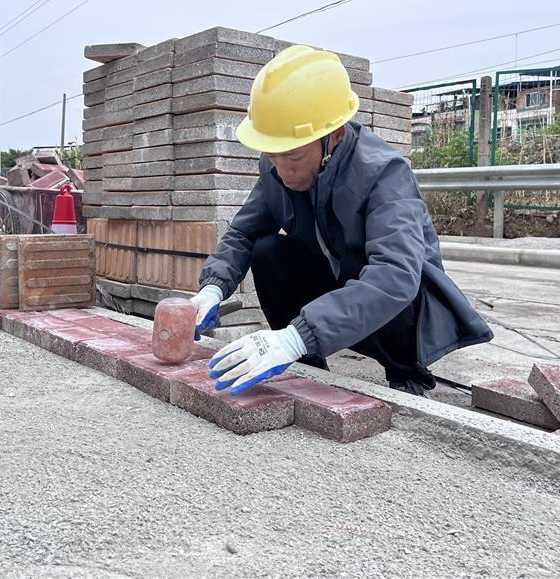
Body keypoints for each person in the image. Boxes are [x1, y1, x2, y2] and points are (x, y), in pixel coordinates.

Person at [190, 45, 493, 397]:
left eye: (293, 155)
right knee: (268, 249)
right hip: (338, 290)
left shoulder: (383, 174)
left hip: (394, 311)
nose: (282, 168)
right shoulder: (277, 166)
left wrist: (294, 336)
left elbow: (395, 276)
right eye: (272, 153)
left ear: (333, 135)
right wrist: (213, 287)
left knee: (396, 284)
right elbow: (244, 232)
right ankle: (306, 366)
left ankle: (405, 372)